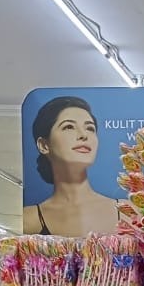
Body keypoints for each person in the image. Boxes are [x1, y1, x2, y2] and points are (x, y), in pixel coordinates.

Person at [23, 95, 121, 236]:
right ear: (44, 145)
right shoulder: (29, 220)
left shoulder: (128, 212)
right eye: (69, 127)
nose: (83, 135)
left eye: (90, 128)